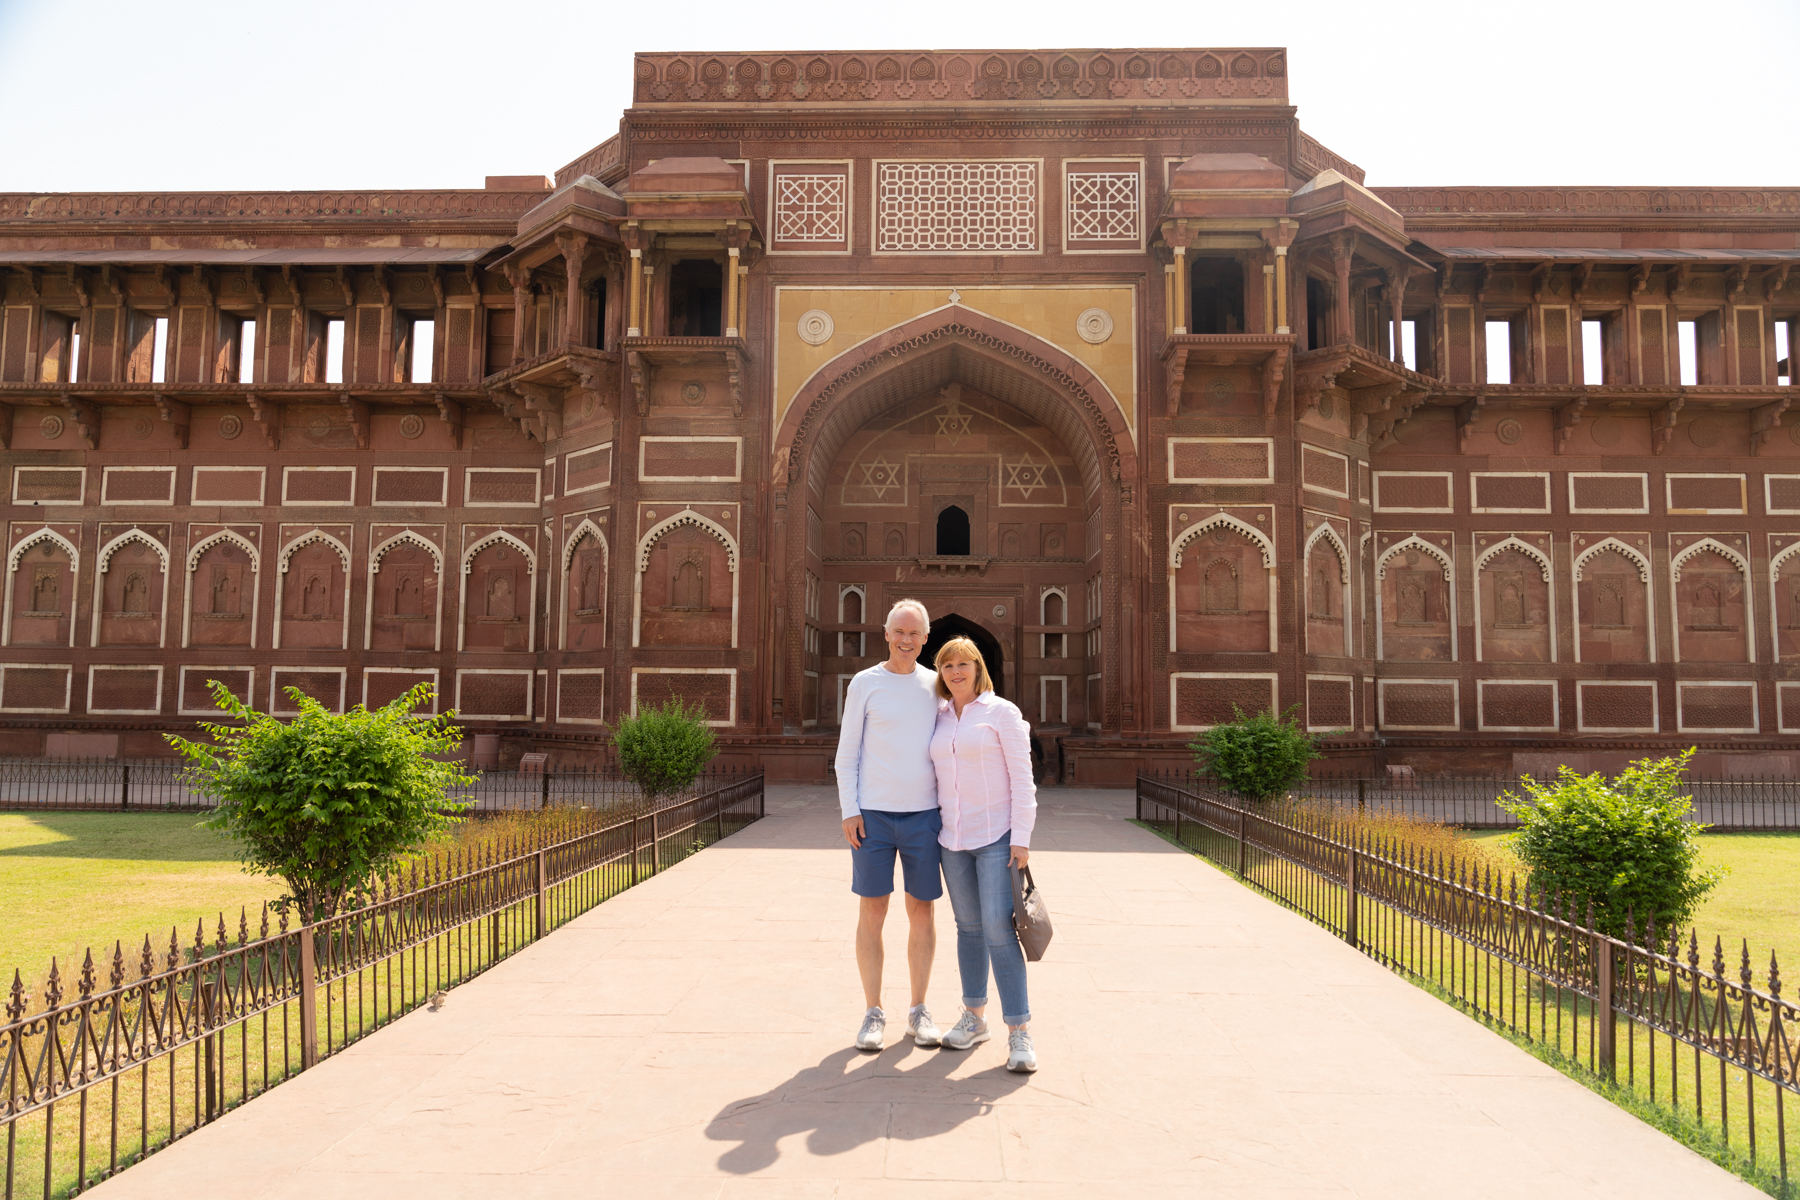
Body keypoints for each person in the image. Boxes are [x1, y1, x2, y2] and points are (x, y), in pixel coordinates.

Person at [836, 598, 944, 1052]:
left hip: (924, 815)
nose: (905, 639)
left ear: (925, 637)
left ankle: (919, 1010)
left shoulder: (936, 685)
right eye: (898, 631)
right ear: (886, 634)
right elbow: (848, 753)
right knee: (873, 911)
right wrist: (850, 809)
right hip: (874, 816)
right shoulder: (865, 683)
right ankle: (873, 1011)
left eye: (913, 632)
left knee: (922, 911)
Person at [929, 636, 1039, 1073]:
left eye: (963, 664)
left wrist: (1022, 838)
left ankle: (1019, 1031)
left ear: (979, 668)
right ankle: (974, 1017)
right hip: (952, 838)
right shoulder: (937, 717)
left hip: (996, 836)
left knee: (998, 929)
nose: (956, 672)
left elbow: (1022, 778)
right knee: (968, 929)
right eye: (947, 665)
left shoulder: (1001, 713)